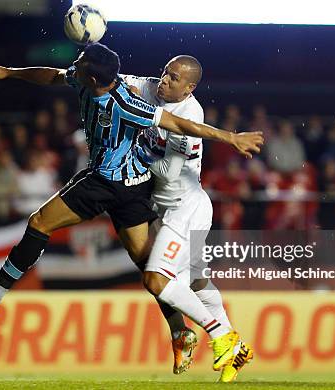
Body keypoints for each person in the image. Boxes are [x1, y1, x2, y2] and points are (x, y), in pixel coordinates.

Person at [0, 43, 264, 372]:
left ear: (93, 77)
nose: (75, 66)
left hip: (119, 185)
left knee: (40, 222)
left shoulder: (127, 104)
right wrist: (10, 72)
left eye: (81, 64)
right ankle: (182, 333)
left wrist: (231, 138)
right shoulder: (94, 79)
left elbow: (181, 127)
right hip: (137, 190)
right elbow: (53, 75)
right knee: (155, 271)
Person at [123, 55, 254, 382]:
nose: (164, 81)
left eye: (174, 78)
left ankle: (223, 336)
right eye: (165, 73)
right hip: (166, 211)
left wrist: (130, 149)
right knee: (195, 281)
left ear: (189, 88)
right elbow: (115, 79)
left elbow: (168, 171)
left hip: (185, 208)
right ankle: (237, 351)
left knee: (156, 280)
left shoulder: (191, 115)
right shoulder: (153, 88)